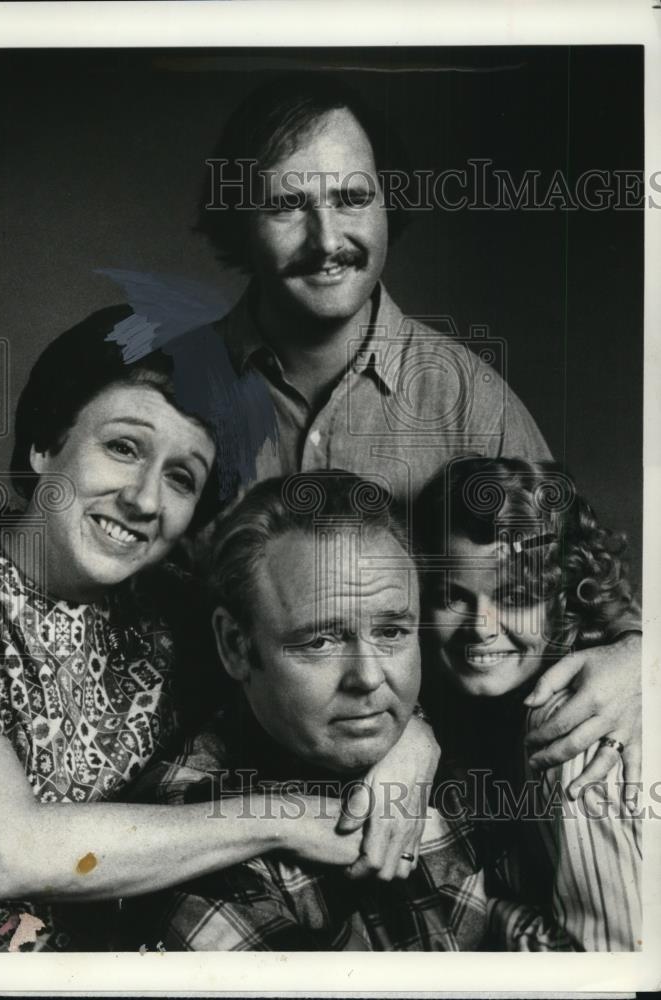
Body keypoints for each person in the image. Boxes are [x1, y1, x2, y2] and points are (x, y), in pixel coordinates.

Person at [187, 71, 642, 800]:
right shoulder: (172, 396)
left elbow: (572, 589)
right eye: (286, 206)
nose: (326, 239)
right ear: (239, 219)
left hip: (433, 805)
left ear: (388, 203)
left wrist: (637, 655)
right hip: (222, 793)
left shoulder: (467, 397)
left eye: (351, 198)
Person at [0, 306, 430, 952]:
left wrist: (412, 744)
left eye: (180, 477)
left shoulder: (172, 604)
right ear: (45, 444)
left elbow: (323, 655)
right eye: (123, 447)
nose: (145, 500)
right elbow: (4, 853)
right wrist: (278, 820)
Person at [126, 471, 489, 951]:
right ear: (236, 645)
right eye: (319, 640)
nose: (369, 677)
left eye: (392, 632)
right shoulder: (194, 846)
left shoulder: (456, 716)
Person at [414, 456, 642, 950]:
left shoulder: (576, 725)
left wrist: (491, 912)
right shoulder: (473, 715)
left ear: (563, 600)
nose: (482, 626)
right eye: (451, 596)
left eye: (514, 596)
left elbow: (611, 963)